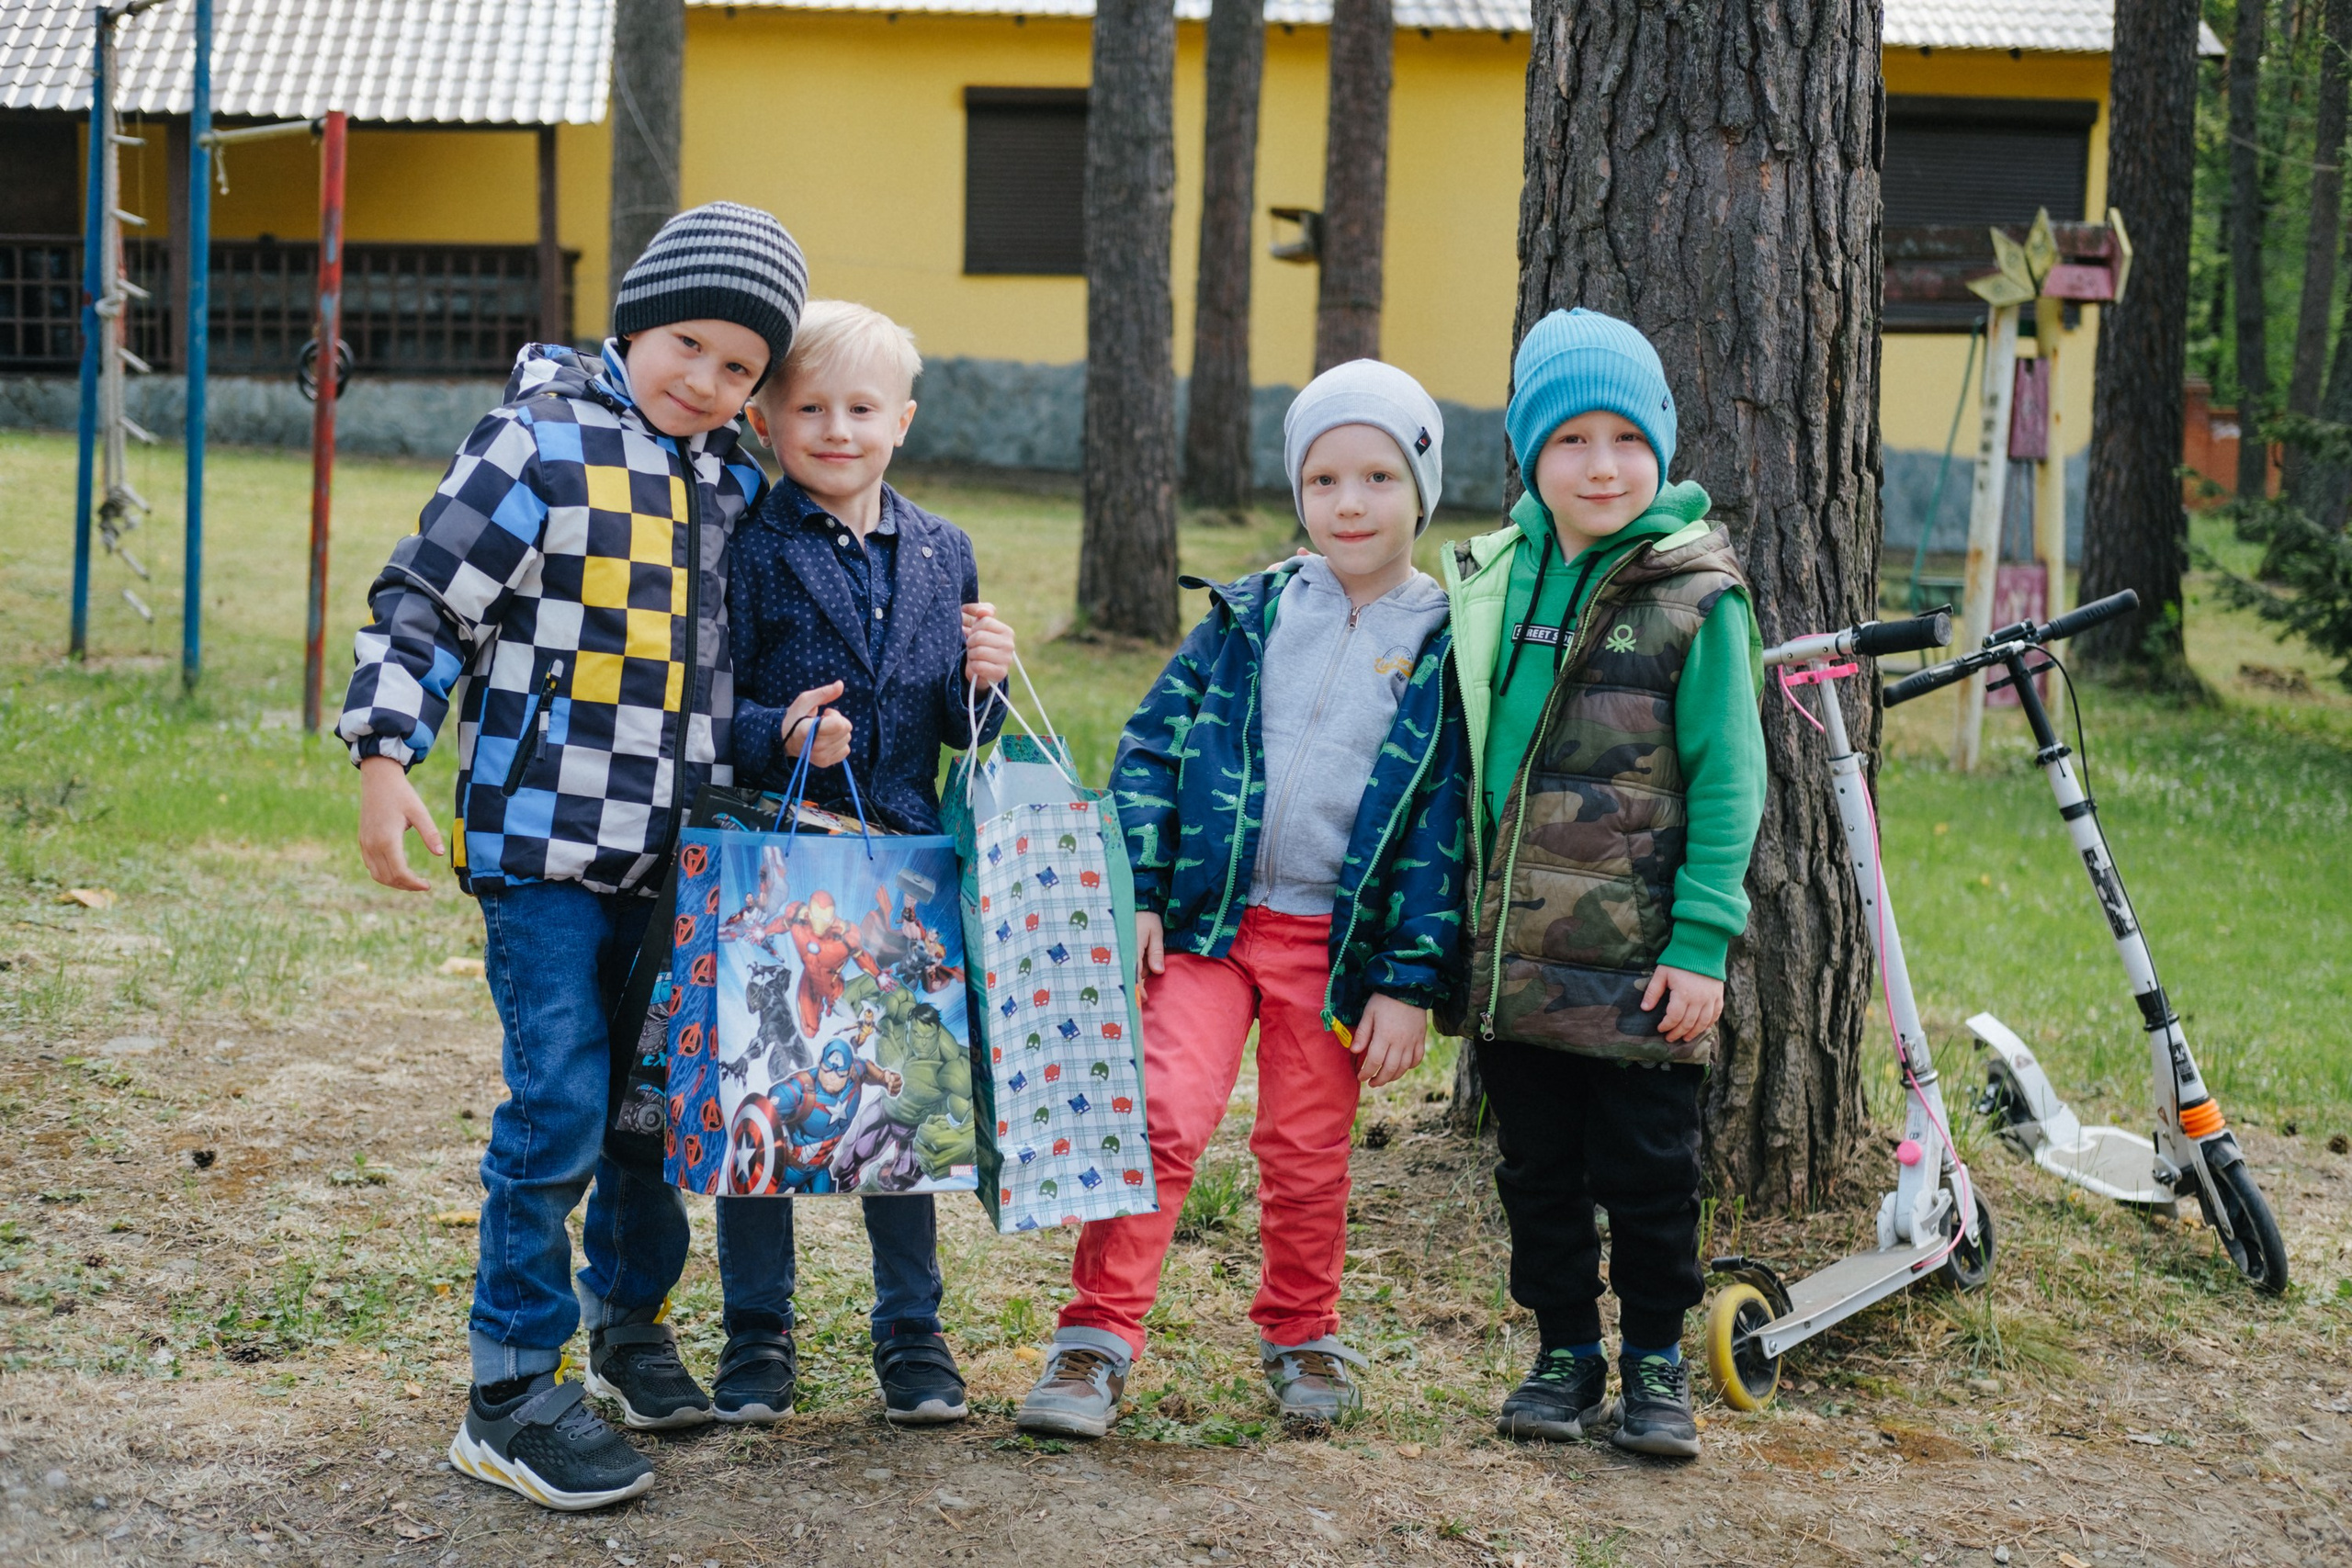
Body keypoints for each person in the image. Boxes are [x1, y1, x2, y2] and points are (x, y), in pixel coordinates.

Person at [338, 202, 806, 1509]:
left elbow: (746, 664)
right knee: (556, 1111)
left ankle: (627, 1326)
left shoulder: (730, 483)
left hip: (675, 866)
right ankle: (506, 1386)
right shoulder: (537, 441)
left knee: (645, 1113)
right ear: (635, 317)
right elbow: (423, 598)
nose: (702, 380)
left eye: (738, 368)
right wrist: (387, 755)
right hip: (544, 849)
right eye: (686, 342)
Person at [1014, 360, 1469, 1438]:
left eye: (1376, 478)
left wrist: (1408, 981)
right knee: (1164, 1117)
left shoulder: (1449, 642)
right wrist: (1135, 890)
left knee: (1305, 1149)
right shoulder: (1249, 613)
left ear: (1422, 488)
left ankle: (1303, 1334)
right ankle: (1093, 1341)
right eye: (1322, 481)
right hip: (1210, 932)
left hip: (1333, 949)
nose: (1348, 504)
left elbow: (1442, 828)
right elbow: (1149, 749)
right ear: (1297, 490)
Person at [1443, 307, 1766, 1460]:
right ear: (1530, 454)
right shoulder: (1495, 581)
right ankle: (1564, 1353)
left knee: (1648, 1177)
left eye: (1625, 439)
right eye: (1570, 440)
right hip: (1519, 960)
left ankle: (1655, 1363)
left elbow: (1730, 781)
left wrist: (1701, 942)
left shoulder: (1695, 596)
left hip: (1642, 968)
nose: (1601, 465)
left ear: (1661, 450)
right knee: (1534, 1169)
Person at [707, 299, 1014, 1427]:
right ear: (766, 418)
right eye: (809, 408)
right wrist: (779, 733)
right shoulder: (749, 545)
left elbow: (956, 723)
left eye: (861, 409)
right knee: (768, 1100)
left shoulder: (941, 550)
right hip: (783, 876)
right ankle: (756, 1336)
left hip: (904, 868)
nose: (836, 430)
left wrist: (982, 680)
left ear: (903, 421)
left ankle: (913, 1336)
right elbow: (716, 703)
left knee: (909, 1107)